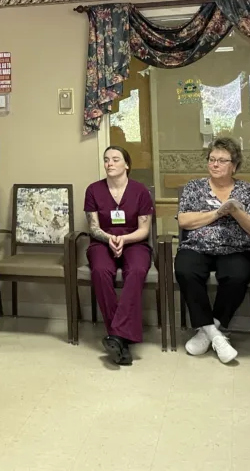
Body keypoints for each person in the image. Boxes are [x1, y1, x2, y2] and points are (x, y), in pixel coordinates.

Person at [174, 137, 250, 364]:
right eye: (212, 159)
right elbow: (184, 221)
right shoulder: (194, 187)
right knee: (185, 269)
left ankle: (206, 331)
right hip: (197, 247)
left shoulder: (248, 191)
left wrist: (235, 211)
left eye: (222, 160)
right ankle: (216, 335)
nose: (215, 164)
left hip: (235, 249)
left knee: (236, 275)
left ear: (234, 165)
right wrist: (217, 213)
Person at [82, 145, 155, 366]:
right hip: (102, 242)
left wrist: (124, 239)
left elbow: (144, 230)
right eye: (106, 160)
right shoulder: (93, 190)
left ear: (127, 165)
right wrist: (109, 238)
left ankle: (116, 335)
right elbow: (93, 227)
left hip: (135, 242)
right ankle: (121, 335)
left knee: (137, 270)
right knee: (100, 271)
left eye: (115, 159)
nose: (110, 163)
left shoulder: (140, 191)